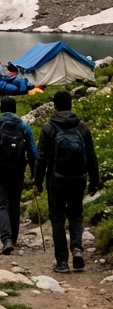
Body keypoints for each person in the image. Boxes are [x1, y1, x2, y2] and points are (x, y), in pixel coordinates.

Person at [34, 90, 100, 273]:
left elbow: (41, 158)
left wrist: (37, 182)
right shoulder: (82, 127)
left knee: (57, 218)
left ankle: (62, 262)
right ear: (71, 105)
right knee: (76, 215)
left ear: (54, 106)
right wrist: (94, 182)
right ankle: (77, 248)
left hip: (56, 181)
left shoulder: (49, 127)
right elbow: (91, 156)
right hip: (78, 179)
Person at [0, 97, 36, 253]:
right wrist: (34, 172)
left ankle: (6, 239)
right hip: (18, 171)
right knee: (14, 204)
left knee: (0, 204)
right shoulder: (23, 126)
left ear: (1, 109)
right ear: (15, 109)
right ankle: (14, 239)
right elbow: (32, 152)